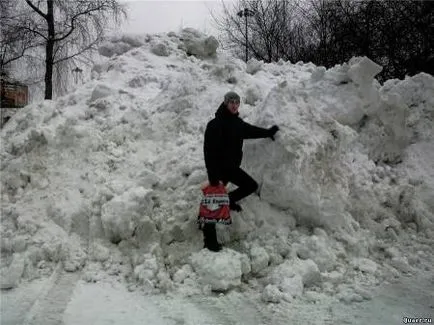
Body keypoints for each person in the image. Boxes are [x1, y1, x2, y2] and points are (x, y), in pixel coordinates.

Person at [202, 91, 279, 251]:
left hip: (232, 168)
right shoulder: (215, 124)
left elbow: (250, 131)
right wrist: (213, 177)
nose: (234, 105)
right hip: (218, 170)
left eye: (237, 102)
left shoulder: (237, 123)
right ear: (225, 103)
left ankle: (229, 199)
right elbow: (209, 153)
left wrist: (268, 132)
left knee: (250, 185)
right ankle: (209, 238)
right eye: (231, 102)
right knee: (213, 204)